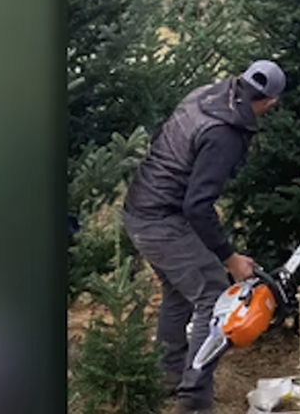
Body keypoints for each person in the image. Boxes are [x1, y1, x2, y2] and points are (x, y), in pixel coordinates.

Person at [121, 60, 287, 412]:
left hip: (141, 207)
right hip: (159, 217)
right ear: (270, 102)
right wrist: (230, 258)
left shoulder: (208, 95)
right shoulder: (224, 131)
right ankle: (194, 400)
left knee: (179, 292)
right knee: (212, 293)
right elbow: (198, 205)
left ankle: (167, 375)